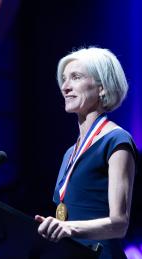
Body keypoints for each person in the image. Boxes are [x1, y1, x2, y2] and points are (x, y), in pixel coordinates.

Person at [35, 47, 137, 259]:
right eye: (64, 79)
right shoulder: (70, 153)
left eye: (76, 77)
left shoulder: (117, 140)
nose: (65, 87)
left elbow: (119, 224)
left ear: (102, 87)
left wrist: (69, 228)